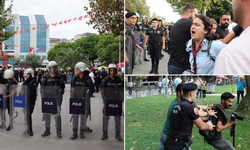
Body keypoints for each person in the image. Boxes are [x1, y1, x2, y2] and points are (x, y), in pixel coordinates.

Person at [164, 83, 214, 150]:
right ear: (191, 94)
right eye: (195, 93)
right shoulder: (190, 108)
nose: (196, 96)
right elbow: (202, 126)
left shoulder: (178, 105)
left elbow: (191, 118)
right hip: (179, 145)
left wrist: (207, 115)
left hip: (170, 142)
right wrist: (209, 126)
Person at [213, 0, 250, 74]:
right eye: (224, 19)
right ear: (220, 20)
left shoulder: (228, 57)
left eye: (228, 20)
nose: (232, 2)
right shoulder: (216, 28)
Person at [168, 4, 198, 74]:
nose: (195, 18)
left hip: (172, 63)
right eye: (195, 15)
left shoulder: (175, 24)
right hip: (181, 65)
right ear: (188, 13)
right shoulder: (190, 23)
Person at [41, 61, 65, 138]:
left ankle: (58, 132)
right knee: (47, 116)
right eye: (51, 67)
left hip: (56, 99)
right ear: (49, 68)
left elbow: (62, 89)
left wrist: (58, 98)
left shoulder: (59, 77)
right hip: (47, 99)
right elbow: (42, 88)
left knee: (57, 116)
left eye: (54, 67)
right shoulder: (46, 77)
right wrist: (43, 98)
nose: (52, 69)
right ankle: (47, 130)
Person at [70, 62, 94, 140]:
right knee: (75, 116)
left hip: (84, 100)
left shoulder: (87, 79)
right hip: (76, 100)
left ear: (82, 69)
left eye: (78, 68)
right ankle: (75, 132)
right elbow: (72, 89)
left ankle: (82, 132)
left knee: (83, 116)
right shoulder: (74, 78)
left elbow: (91, 90)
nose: (76, 70)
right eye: (76, 68)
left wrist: (85, 97)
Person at [101, 63, 123, 141]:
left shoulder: (119, 80)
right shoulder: (105, 80)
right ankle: (105, 134)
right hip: (108, 102)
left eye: (114, 70)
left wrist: (121, 100)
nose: (112, 72)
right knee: (105, 119)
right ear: (108, 71)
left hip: (116, 102)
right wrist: (105, 101)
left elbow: (122, 92)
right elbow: (102, 91)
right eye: (111, 70)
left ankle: (118, 134)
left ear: (116, 71)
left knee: (117, 119)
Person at [158, 83, 184, 150]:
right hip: (169, 136)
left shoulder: (174, 102)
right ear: (178, 93)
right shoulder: (178, 105)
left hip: (164, 133)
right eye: (184, 92)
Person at [22, 68, 37, 136]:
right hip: (25, 101)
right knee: (26, 115)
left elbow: (33, 91)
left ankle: (30, 130)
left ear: (31, 74)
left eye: (28, 74)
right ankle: (27, 128)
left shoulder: (33, 81)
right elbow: (22, 90)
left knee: (28, 114)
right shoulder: (25, 82)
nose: (26, 75)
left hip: (31, 101)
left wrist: (27, 97)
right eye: (26, 74)